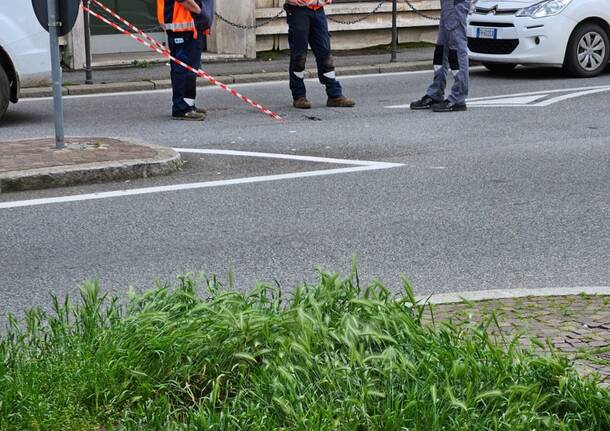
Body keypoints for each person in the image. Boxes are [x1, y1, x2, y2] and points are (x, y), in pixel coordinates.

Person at [284, 0, 355, 109]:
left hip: (318, 10)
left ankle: (334, 95)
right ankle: (299, 96)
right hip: (298, 10)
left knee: (325, 56)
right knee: (299, 56)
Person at [410, 0, 470, 112]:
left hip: (455, 4)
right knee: (440, 52)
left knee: (456, 52)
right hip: (447, 5)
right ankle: (435, 93)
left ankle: (458, 98)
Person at [157, 0, 212, 120]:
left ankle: (188, 106)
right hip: (182, 30)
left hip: (188, 29)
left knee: (189, 70)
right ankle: (181, 109)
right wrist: (201, 13)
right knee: (183, 70)